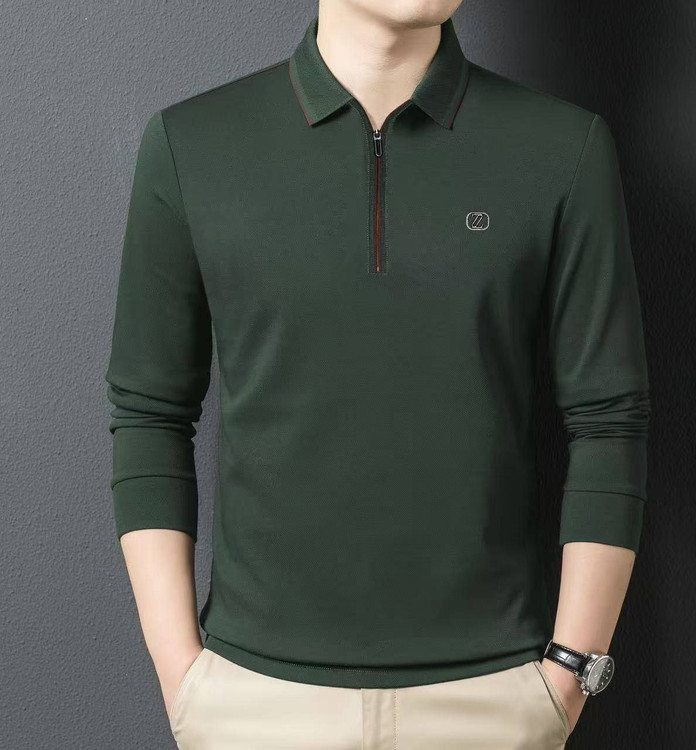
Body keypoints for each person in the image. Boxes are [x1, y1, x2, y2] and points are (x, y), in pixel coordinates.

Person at [104, 0, 651, 747]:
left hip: (493, 702)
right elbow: (149, 413)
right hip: (255, 703)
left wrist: (567, 676)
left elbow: (610, 420)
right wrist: (185, 680)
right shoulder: (191, 143)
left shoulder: (563, 146)